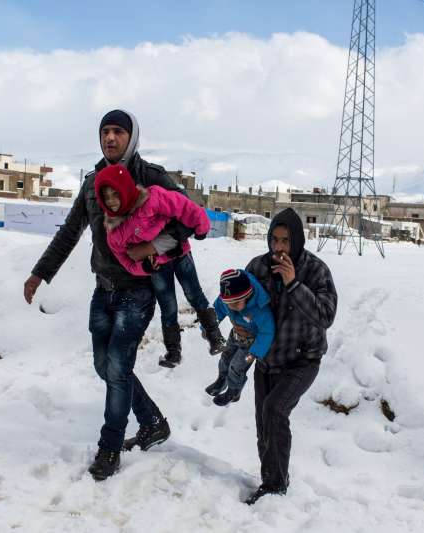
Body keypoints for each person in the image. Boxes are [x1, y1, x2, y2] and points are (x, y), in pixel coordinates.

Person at [23, 109, 186, 481]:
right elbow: (70, 232)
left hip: (139, 291)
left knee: (116, 370)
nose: (110, 138)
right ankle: (153, 422)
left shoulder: (152, 177)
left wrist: (151, 249)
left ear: (133, 136)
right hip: (104, 290)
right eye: (105, 132)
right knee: (106, 366)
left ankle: (109, 448)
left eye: (118, 132)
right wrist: (39, 274)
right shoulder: (93, 182)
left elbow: (187, 221)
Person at [242, 208, 337, 505]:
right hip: (267, 360)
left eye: (286, 240)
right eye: (275, 240)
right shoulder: (258, 267)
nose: (279, 247)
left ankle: (275, 486)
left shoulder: (316, 270)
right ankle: (270, 479)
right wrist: (240, 326)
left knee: (274, 410)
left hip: (302, 361)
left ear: (297, 240)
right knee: (263, 424)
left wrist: (294, 284)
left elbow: (326, 316)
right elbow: (241, 307)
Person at [95, 164, 226, 368]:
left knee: (194, 294)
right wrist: (145, 269)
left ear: (126, 189)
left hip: (180, 252)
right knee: (168, 307)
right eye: (106, 196)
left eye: (115, 193)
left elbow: (185, 207)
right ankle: (173, 352)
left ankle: (215, 337)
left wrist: (202, 227)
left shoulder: (152, 198)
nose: (111, 201)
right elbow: (128, 263)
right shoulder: (115, 233)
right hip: (158, 266)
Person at [205, 269, 275, 407]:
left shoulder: (259, 309)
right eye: (228, 303)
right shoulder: (227, 301)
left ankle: (233, 391)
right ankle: (222, 379)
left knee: (236, 367)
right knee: (225, 358)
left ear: (247, 296)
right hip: (235, 336)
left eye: (236, 303)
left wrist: (254, 353)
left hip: (250, 347)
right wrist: (208, 327)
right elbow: (216, 311)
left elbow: (267, 332)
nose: (232, 307)